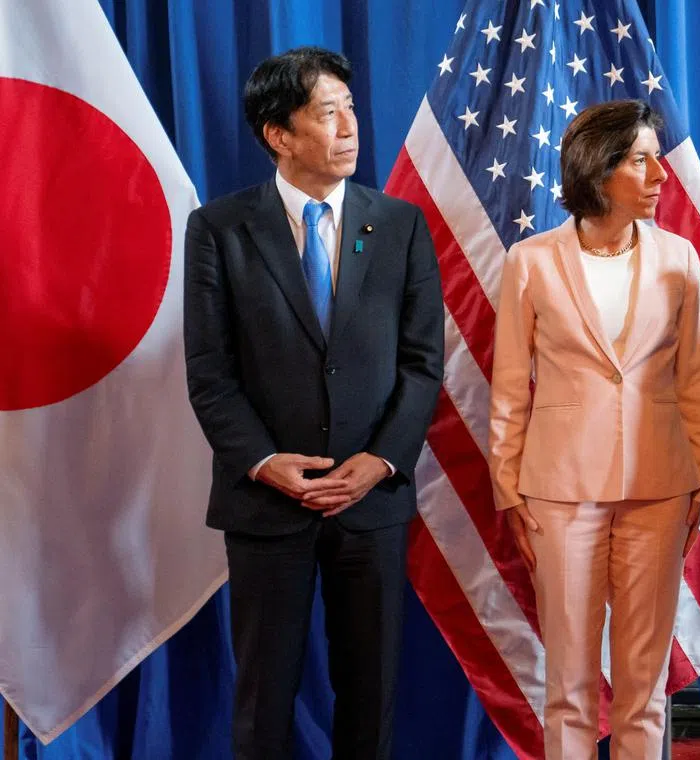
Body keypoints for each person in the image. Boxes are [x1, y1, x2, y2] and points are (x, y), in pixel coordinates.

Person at [183, 46, 443, 759]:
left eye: (350, 107)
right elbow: (209, 371)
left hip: (372, 503)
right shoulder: (219, 230)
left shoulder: (400, 226)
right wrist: (265, 462)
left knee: (371, 696)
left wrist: (380, 461)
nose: (350, 125)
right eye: (328, 112)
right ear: (279, 134)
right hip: (268, 505)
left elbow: (424, 365)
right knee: (264, 700)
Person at [488, 99, 700, 759]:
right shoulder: (529, 262)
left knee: (644, 685)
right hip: (559, 496)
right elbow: (509, 389)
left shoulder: (680, 260)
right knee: (569, 683)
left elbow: (698, 381)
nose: (659, 175)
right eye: (641, 160)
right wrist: (509, 490)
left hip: (661, 488)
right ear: (599, 168)